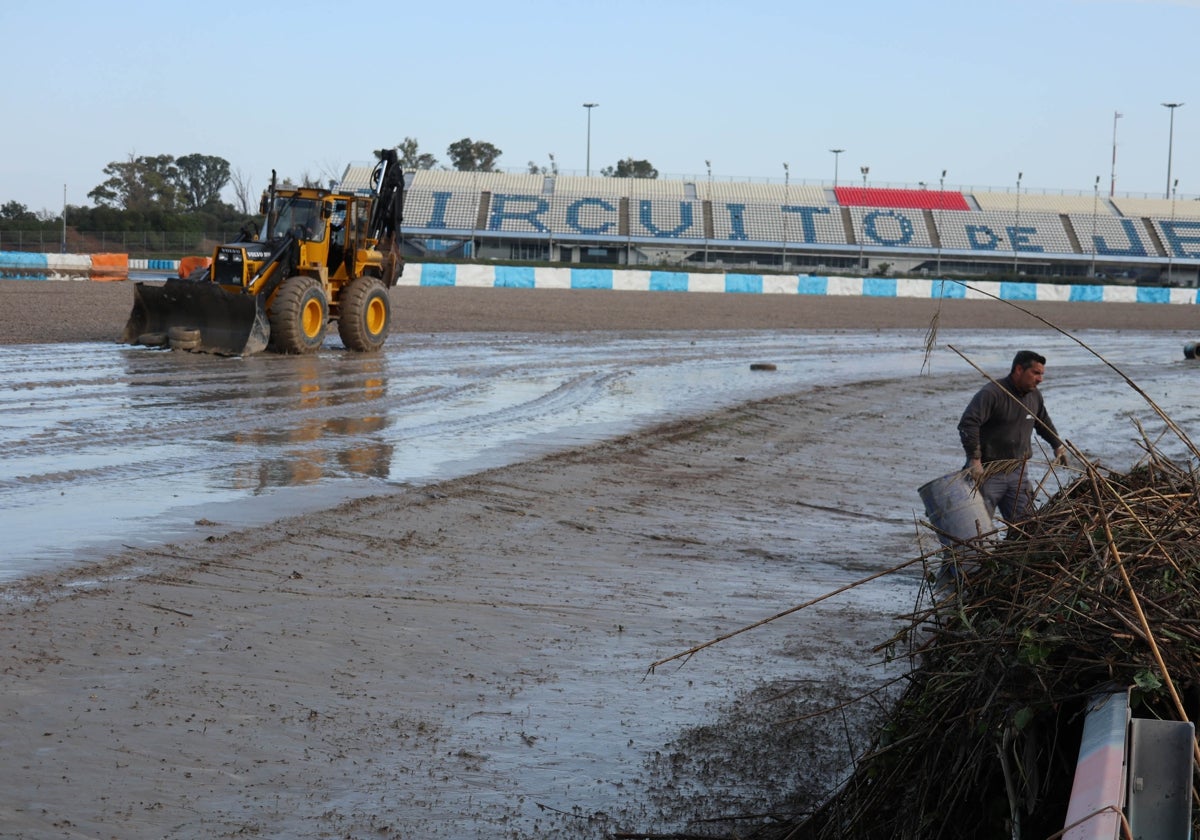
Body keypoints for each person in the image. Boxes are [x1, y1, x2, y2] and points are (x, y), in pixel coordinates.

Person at [957, 350, 1067, 530]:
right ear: (1018, 369)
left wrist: (1057, 445)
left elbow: (1042, 422)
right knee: (977, 528)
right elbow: (968, 423)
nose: (1040, 379)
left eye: (1042, 374)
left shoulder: (1034, 396)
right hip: (988, 472)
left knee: (1025, 526)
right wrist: (974, 459)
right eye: (1036, 373)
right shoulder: (992, 393)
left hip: (1018, 472)